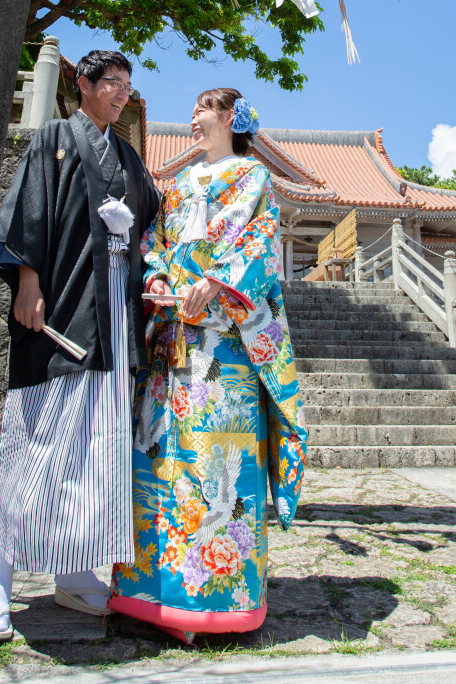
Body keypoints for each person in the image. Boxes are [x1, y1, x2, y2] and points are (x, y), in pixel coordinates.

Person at [0, 50, 159, 643]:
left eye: (128, 85)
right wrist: (27, 276)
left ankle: (75, 571)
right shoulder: (54, 137)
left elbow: (151, 220)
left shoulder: (127, 156)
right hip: (60, 312)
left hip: (113, 325)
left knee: (98, 453)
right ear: (83, 85)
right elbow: (26, 210)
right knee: (38, 444)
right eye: (112, 83)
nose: (122, 94)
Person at [107, 87, 307, 643]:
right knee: (157, 459)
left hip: (225, 346)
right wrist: (160, 277)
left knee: (214, 466)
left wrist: (215, 285)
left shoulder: (254, 178)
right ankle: (149, 595)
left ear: (229, 119)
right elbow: (155, 242)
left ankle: (214, 600)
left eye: (202, 111)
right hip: (172, 342)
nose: (193, 120)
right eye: (194, 112)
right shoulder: (177, 186)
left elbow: (258, 246)